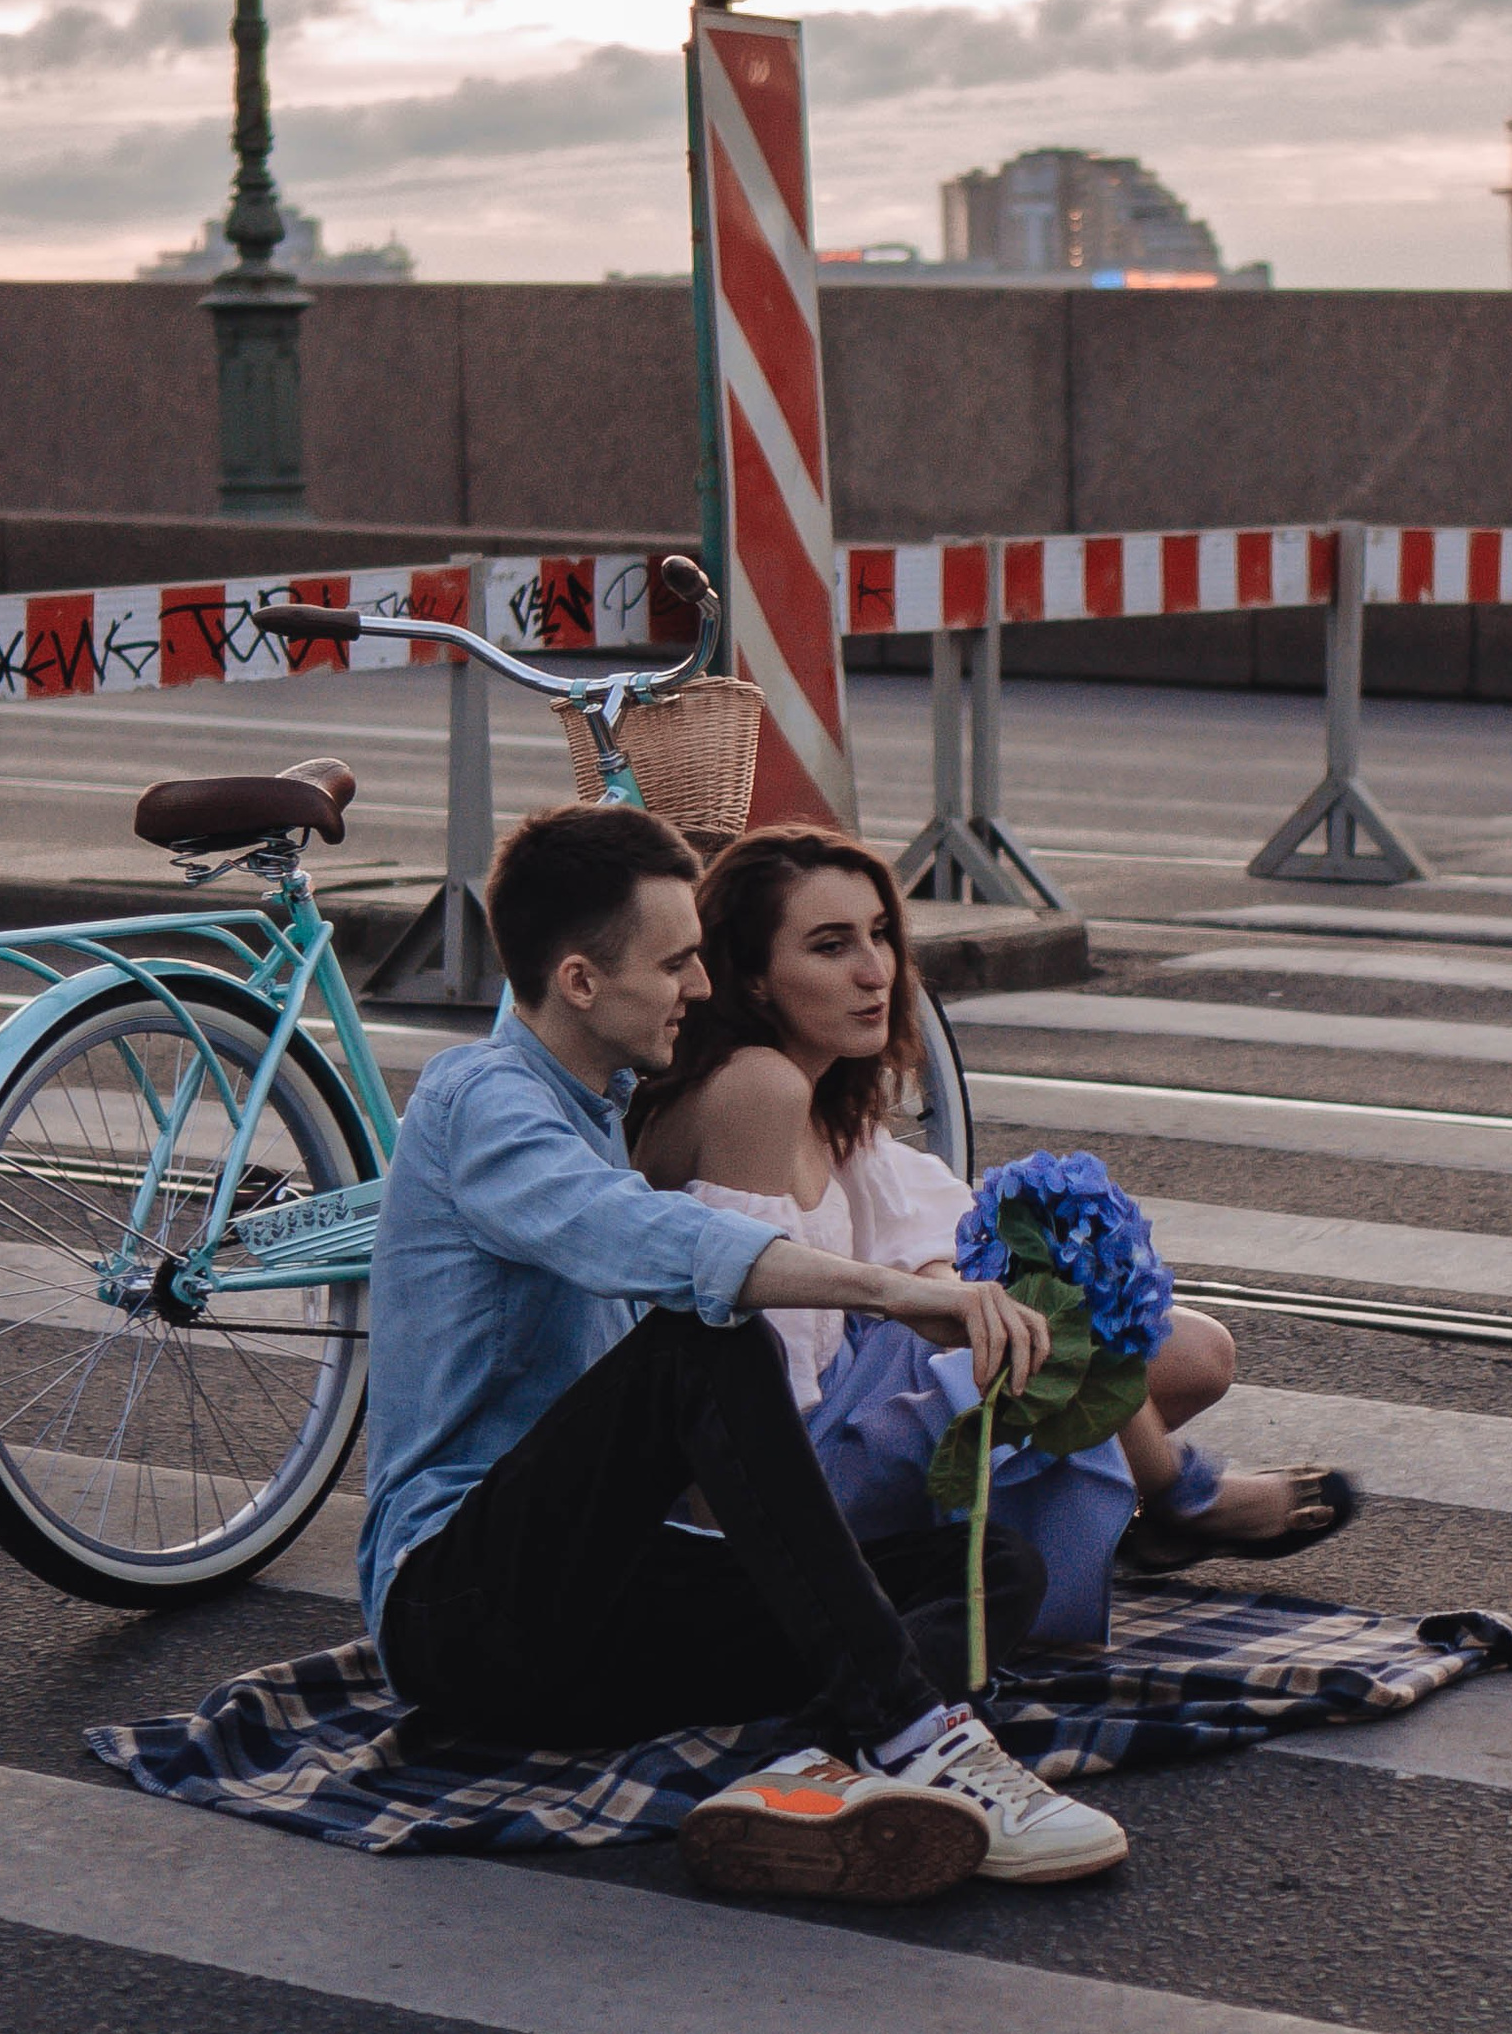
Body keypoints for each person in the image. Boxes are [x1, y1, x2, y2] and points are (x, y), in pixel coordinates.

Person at [359, 802, 1131, 1901]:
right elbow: (633, 1235)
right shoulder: (476, 1102)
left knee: (992, 1567)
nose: (702, 984)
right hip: (461, 1616)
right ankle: (915, 1737)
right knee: (700, 1344)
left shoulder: (601, 1107)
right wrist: (892, 1295)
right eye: (676, 962)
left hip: (600, 1610)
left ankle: (807, 1771)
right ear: (579, 981)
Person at [625, 826, 1363, 1606]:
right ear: (753, 978)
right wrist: (748, 1587)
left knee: (1186, 1350)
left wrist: (988, 1295)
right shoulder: (756, 1088)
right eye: (831, 946)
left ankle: (1141, 1507)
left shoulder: (812, 1087)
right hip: (801, 1461)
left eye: (880, 935)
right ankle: (1176, 1497)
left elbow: (913, 1232)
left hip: (850, 1384)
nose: (876, 972)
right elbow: (732, 1370)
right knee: (1055, 1336)